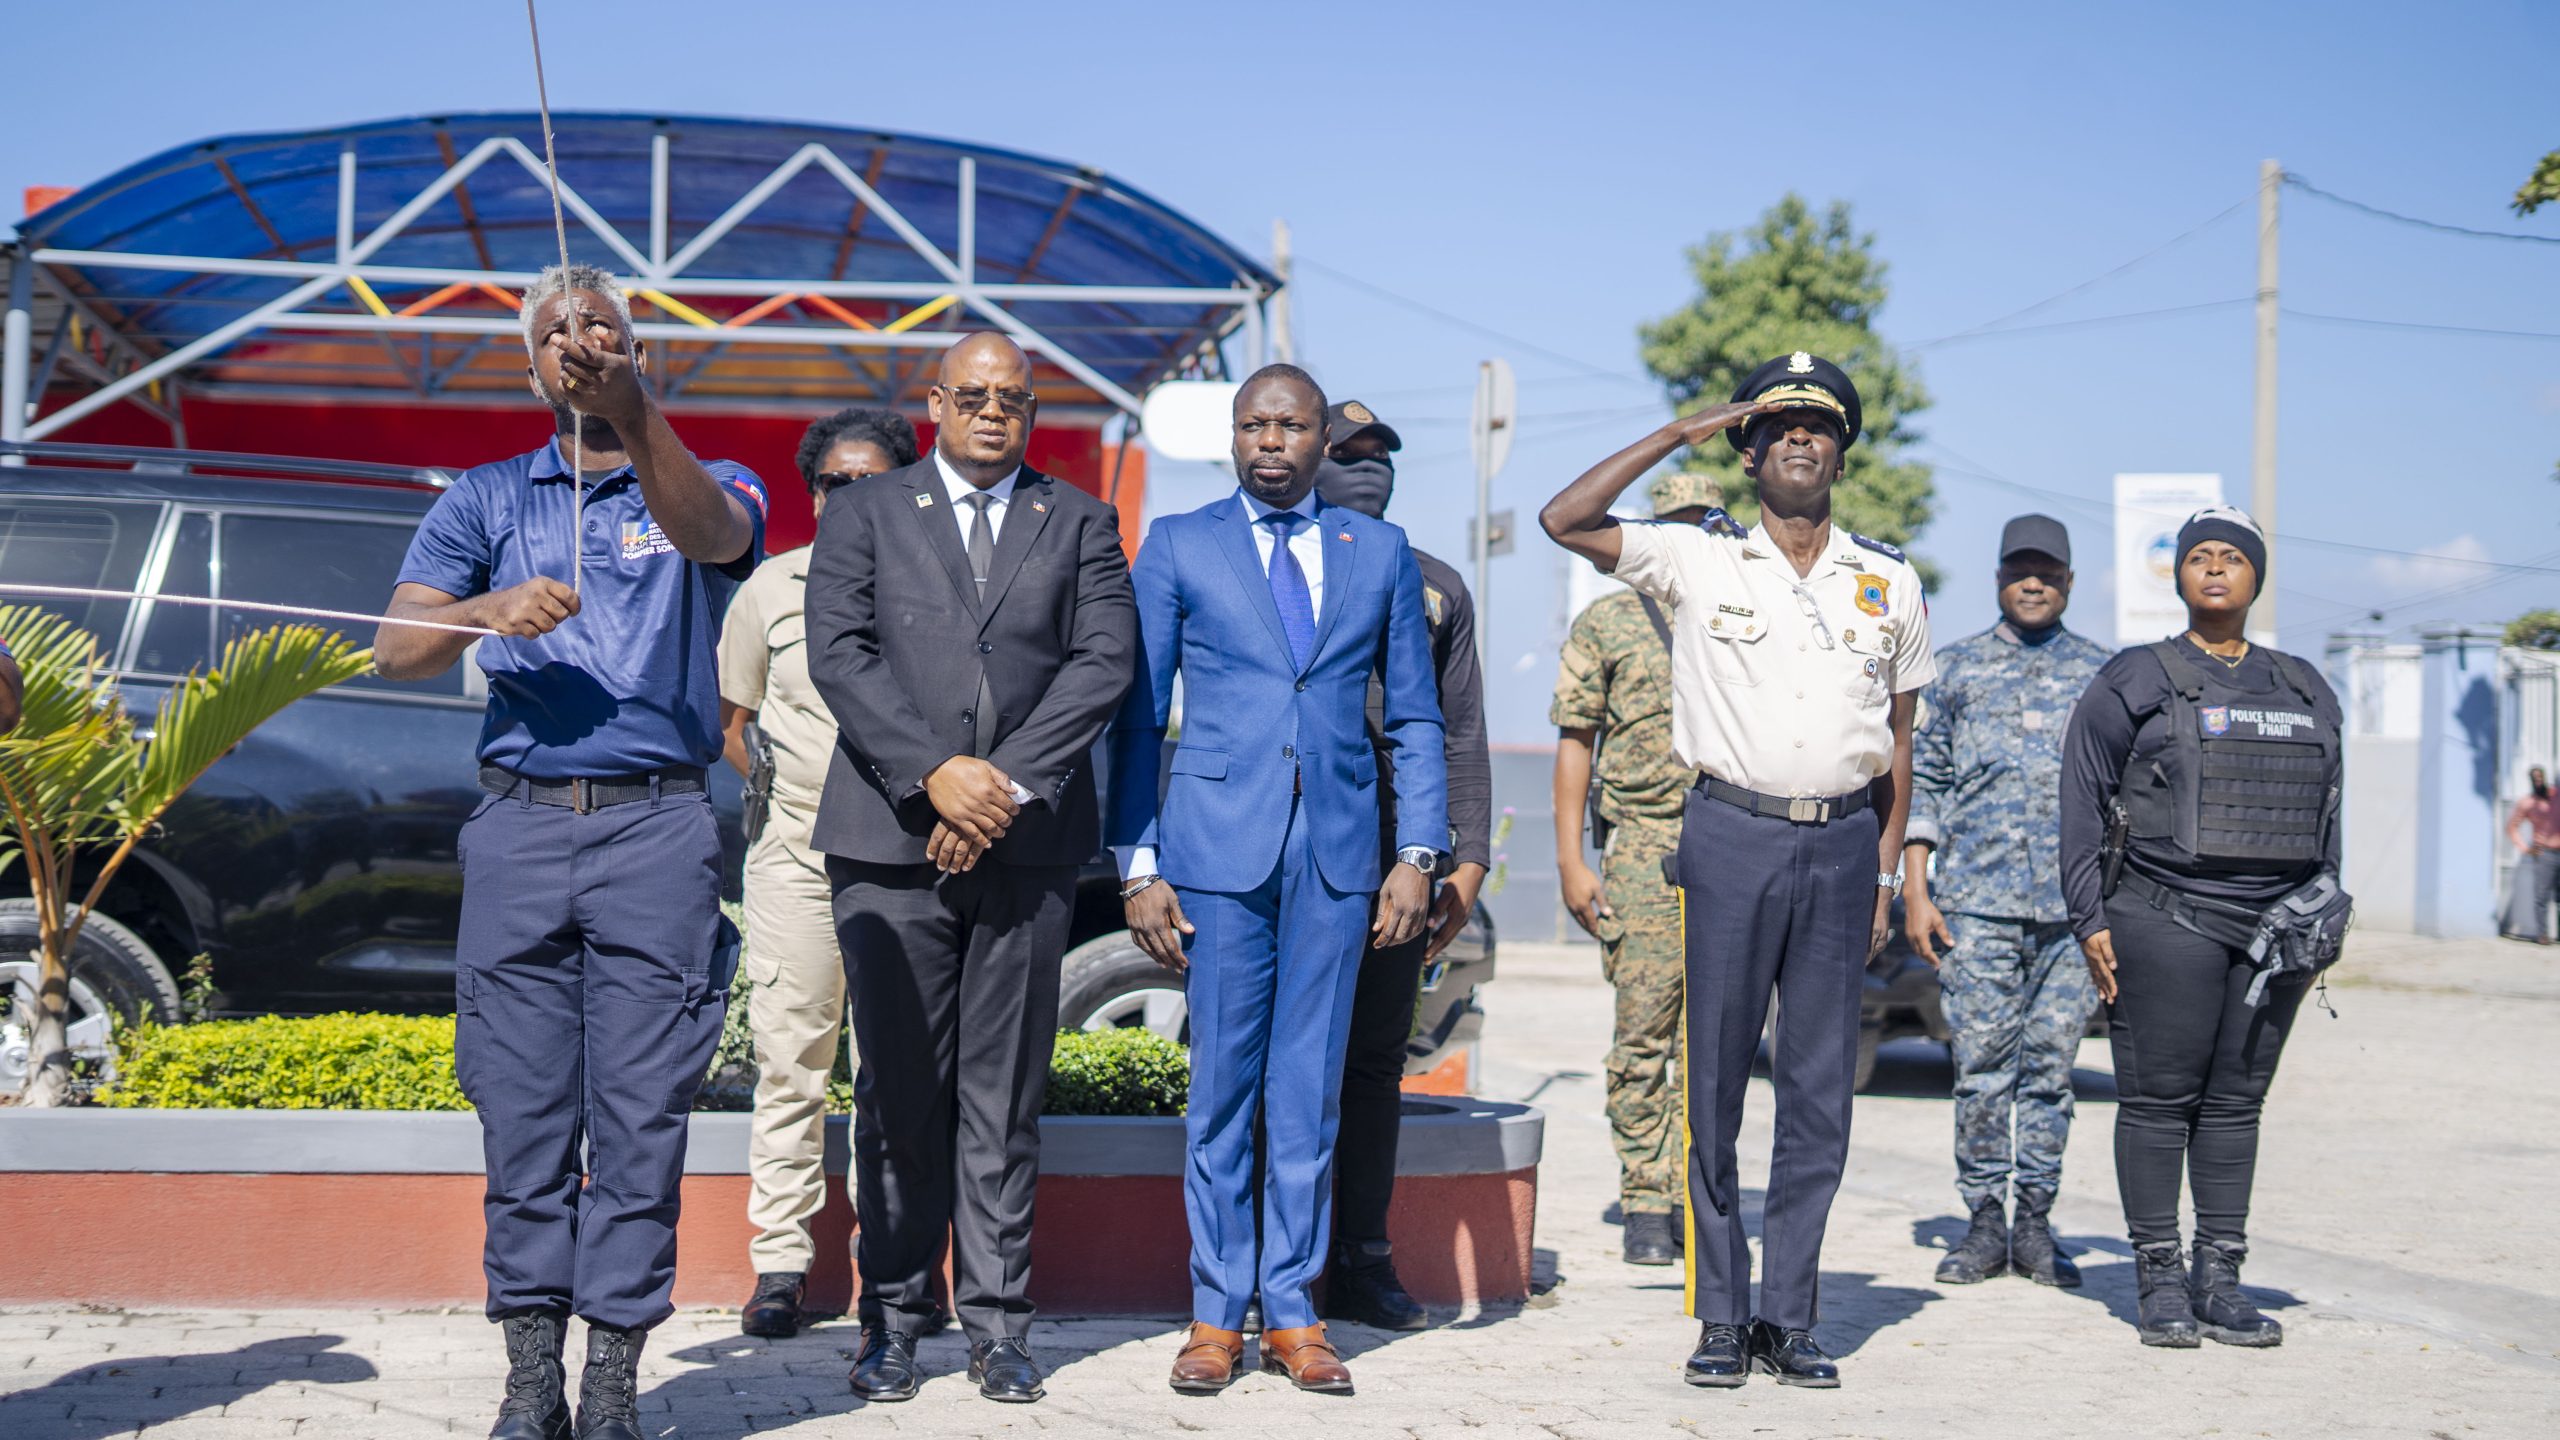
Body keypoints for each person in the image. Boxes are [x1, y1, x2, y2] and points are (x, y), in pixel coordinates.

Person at [374, 262, 768, 1440]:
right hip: (522, 826)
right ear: (528, 364)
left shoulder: (698, 475)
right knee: (522, 1110)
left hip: (657, 826)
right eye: (558, 333)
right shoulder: (486, 497)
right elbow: (393, 647)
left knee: (644, 1114)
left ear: (638, 351)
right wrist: (482, 612)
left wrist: (633, 411)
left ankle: (610, 1388)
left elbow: (720, 533)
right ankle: (530, 1377)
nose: (581, 342)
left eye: (604, 328)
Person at [1539, 351, 1932, 1392]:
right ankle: (1720, 1315)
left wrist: (1888, 876)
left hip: (1842, 845)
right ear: (1749, 451)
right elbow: (1564, 518)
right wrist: (1677, 433)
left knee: (1816, 1094)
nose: (1800, 437)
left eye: (1820, 425)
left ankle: (1789, 1318)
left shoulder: (1887, 578)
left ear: (1841, 452)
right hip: (1727, 835)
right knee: (1710, 1084)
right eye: (1778, 425)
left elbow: (1899, 739)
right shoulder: (1694, 558)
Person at [805, 333, 1137, 1406]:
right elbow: (839, 652)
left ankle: (999, 1329)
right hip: (888, 844)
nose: (996, 415)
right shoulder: (863, 510)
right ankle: (893, 1321)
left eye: (1015, 401)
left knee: (1003, 1098)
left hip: (1026, 847)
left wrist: (996, 789)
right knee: (899, 1095)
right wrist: (933, 774)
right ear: (937, 403)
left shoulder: (1079, 518)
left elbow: (1103, 664)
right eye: (976, 397)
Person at [1110, 364, 1446, 1396]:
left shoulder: (1378, 551)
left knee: (1307, 1090)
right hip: (1215, 854)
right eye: (1253, 424)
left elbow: (1418, 718)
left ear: (1318, 441)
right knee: (1221, 1089)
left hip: (1341, 857)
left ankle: (1295, 1312)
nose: (1271, 441)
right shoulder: (1176, 545)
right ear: (1232, 436)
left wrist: (1417, 855)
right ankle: (1215, 1314)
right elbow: (1137, 714)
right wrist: (1138, 862)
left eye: (1290, 425)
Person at [2060, 505, 2344, 1350]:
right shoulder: (2134, 677)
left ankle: (2219, 1278)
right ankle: (2158, 1280)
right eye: (2200, 559)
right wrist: (2088, 918)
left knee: (2235, 1105)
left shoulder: (2302, 685)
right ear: (2179, 575)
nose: (2215, 570)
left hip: (2275, 934)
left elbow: (2329, 810)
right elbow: (2079, 802)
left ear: (2257, 576)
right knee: (2157, 1102)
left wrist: (2328, 907)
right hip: (2161, 916)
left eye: (2233, 558)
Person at [716, 407, 919, 1339]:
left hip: (904, 863)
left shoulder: (935, 586)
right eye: (836, 481)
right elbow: (733, 721)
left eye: (871, 479)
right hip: (795, 858)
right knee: (790, 1064)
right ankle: (781, 1268)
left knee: (891, 1071)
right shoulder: (769, 588)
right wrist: (783, 798)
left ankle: (891, 1269)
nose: (852, 495)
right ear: (813, 491)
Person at [1312, 398, 1491, 1331]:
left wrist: (1469, 863)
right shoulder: (1287, 564)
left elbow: (1461, 731)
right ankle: (1282, 1257)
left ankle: (1363, 1259)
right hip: (1299, 845)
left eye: (1383, 454)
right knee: (1291, 1061)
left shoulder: (1435, 584)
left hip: (1403, 858)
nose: (1370, 467)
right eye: (1351, 453)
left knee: (1377, 1061)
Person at [1903, 514, 2110, 1288]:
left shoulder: (2104, 675)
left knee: (2050, 1070)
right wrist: (1914, 891)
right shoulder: (1952, 672)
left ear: (2067, 583)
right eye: (2021, 571)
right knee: (1981, 1067)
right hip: (1975, 908)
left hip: (2071, 912)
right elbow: (1926, 780)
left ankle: (2035, 1224)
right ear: (1998, 578)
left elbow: (2122, 794)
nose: (2034, 583)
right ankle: (1984, 1220)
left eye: (2048, 573)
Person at [1550, 470, 1719, 1267]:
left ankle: (1697, 1190)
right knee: (1644, 1027)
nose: (1692, 535)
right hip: (1644, 844)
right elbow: (1575, 740)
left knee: (1713, 1036)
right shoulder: (1608, 621)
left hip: (1730, 839)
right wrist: (1571, 860)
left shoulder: (1735, 612)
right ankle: (1646, 1196)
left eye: (1703, 523)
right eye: (1677, 524)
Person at [2502, 766, 2559, 943]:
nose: (2538, 780)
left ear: (2545, 777)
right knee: (2541, 896)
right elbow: (2511, 828)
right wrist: (2526, 849)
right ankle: (2543, 935)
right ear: (2531, 781)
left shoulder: (2557, 796)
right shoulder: (2526, 803)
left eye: (2540, 777)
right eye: (2534, 778)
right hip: (2544, 854)